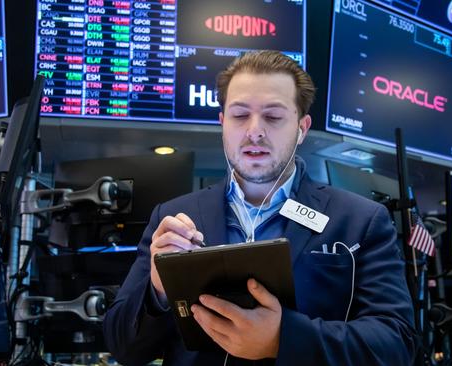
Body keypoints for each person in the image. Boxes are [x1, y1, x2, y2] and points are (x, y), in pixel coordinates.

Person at [103, 50, 417, 365]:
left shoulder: (360, 220)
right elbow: (123, 347)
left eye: (273, 116)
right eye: (240, 115)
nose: (255, 130)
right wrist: (158, 291)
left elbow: (397, 344)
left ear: (302, 128)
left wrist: (285, 339)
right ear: (223, 123)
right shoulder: (171, 218)